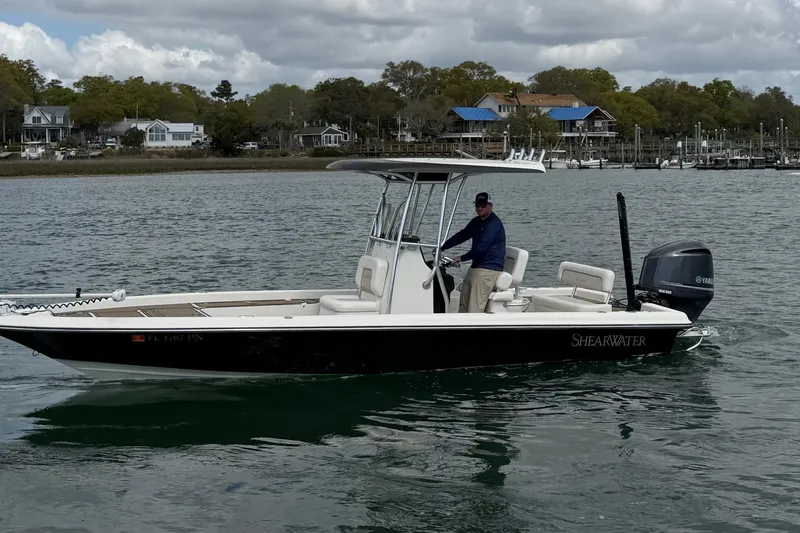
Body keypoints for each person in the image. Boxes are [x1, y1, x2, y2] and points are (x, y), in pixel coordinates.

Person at [440, 192, 506, 313]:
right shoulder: (477, 221)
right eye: (477, 205)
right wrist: (442, 247)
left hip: (488, 270)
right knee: (463, 305)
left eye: (483, 205)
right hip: (476, 267)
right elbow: (461, 236)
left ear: (490, 206)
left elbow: (481, 248)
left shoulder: (493, 224)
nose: (480, 208)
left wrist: (461, 258)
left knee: (474, 309)